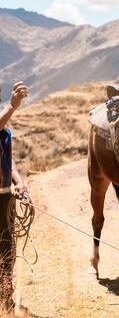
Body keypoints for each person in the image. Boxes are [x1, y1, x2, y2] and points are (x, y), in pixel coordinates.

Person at [0, 82, 29, 317]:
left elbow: (7, 153)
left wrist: (18, 180)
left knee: (7, 248)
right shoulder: (4, 114)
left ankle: (6, 301)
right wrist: (12, 105)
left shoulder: (3, 117)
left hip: (5, 195)